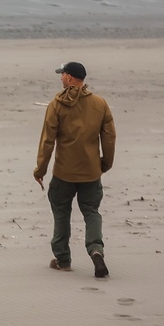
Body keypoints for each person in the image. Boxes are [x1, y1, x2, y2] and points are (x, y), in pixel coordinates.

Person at [34, 61, 116, 279]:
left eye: (63, 75)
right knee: (91, 211)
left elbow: (47, 142)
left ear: (70, 78)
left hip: (64, 173)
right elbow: (109, 138)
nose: (61, 78)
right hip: (91, 172)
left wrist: (40, 169)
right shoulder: (100, 104)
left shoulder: (57, 105)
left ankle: (63, 259)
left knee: (61, 211)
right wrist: (105, 164)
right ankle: (96, 250)